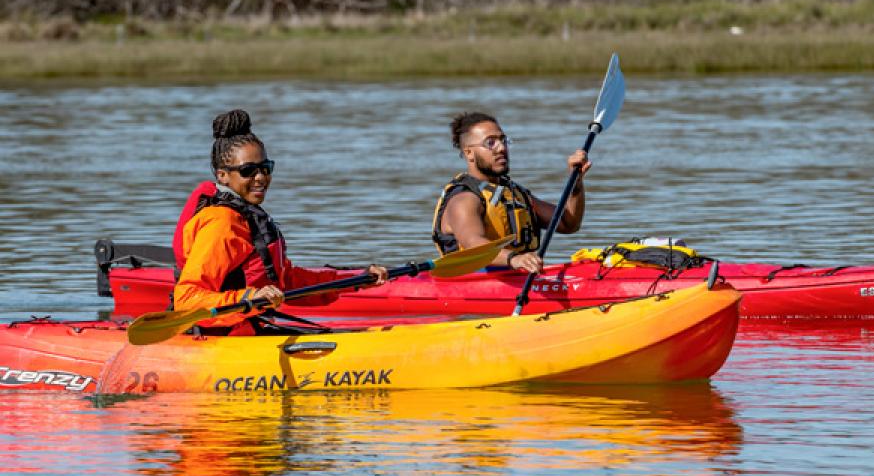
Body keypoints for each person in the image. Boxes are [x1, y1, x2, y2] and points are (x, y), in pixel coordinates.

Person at [173, 108, 387, 333]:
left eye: (265, 168)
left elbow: (287, 281)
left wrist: (354, 280)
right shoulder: (221, 223)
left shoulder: (246, 216)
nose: (260, 178)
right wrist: (252, 297)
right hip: (222, 339)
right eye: (248, 171)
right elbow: (187, 300)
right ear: (222, 175)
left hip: (249, 328)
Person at [432, 111, 590, 274]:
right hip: (472, 285)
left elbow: (568, 224)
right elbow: (474, 245)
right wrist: (514, 259)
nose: (501, 148)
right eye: (490, 143)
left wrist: (576, 184)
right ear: (469, 153)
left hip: (518, 280)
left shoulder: (513, 194)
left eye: (503, 140)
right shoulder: (464, 199)